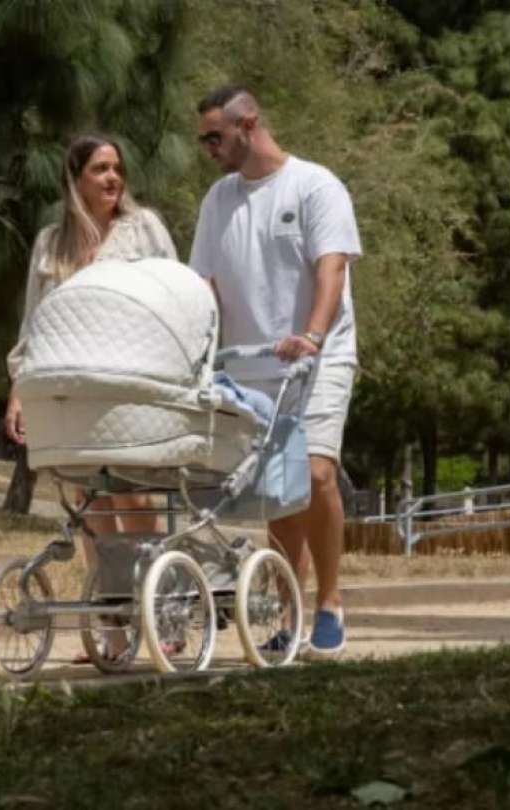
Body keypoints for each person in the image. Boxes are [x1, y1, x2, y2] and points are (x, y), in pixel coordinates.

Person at [189, 85, 360, 660]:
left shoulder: (314, 185)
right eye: (203, 139)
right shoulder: (218, 200)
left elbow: (331, 268)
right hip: (251, 368)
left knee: (313, 475)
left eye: (216, 136)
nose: (209, 148)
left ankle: (331, 603)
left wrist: (312, 334)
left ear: (249, 124)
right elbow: (205, 284)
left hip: (319, 356)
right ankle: (291, 612)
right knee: (278, 495)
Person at [5, 133, 177, 661]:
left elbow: (175, 295)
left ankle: (163, 614)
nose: (113, 179)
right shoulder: (50, 244)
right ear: (75, 179)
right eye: (100, 169)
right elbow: (36, 322)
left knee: (136, 499)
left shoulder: (143, 229)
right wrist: (18, 391)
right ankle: (114, 627)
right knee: (90, 505)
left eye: (117, 169)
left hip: (133, 383)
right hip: (71, 391)